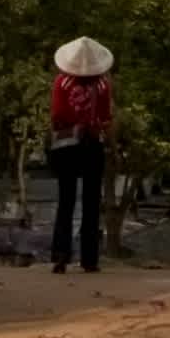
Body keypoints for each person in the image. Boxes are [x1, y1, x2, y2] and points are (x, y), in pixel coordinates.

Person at [46, 35, 114, 273]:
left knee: (66, 200)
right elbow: (106, 118)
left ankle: (60, 256)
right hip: (93, 145)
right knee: (92, 202)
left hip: (66, 147)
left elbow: (56, 116)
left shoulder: (61, 83)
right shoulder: (103, 84)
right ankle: (89, 259)